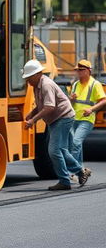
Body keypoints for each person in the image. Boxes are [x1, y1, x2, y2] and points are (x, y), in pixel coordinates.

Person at [23, 59, 89, 190]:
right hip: (56, 119)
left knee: (53, 151)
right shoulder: (36, 86)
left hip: (63, 117)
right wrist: (32, 112)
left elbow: (49, 107)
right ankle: (81, 172)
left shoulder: (46, 84)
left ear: (38, 74)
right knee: (62, 150)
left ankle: (64, 181)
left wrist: (33, 120)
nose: (27, 81)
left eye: (29, 77)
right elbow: (41, 104)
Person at [68, 59, 106, 166]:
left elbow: (104, 100)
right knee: (76, 144)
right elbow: (71, 102)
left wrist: (91, 109)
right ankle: (81, 170)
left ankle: (72, 170)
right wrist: (70, 99)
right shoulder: (75, 84)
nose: (79, 72)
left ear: (88, 71)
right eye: (77, 70)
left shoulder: (95, 84)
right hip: (74, 119)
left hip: (87, 120)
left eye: (81, 70)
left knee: (75, 143)